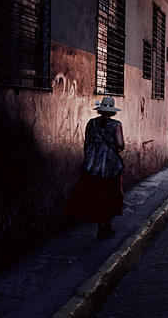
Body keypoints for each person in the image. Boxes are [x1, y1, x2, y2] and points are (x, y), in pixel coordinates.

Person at [65, 96, 125, 238]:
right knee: (112, 195)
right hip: (110, 167)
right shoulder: (116, 125)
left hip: (92, 166)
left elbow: (87, 144)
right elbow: (121, 145)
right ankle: (107, 224)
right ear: (112, 112)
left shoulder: (91, 123)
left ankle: (100, 224)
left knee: (96, 195)